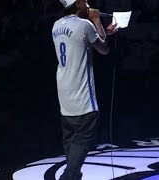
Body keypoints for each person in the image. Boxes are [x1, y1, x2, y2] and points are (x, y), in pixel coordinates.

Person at [52, 0, 118, 179]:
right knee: (82, 138)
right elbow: (103, 49)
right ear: (78, 4)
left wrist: (104, 32)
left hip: (64, 92)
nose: (88, 4)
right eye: (85, 1)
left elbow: (83, 41)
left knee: (71, 140)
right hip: (82, 94)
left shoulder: (56, 25)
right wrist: (97, 21)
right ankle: (69, 175)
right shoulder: (85, 25)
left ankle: (73, 174)